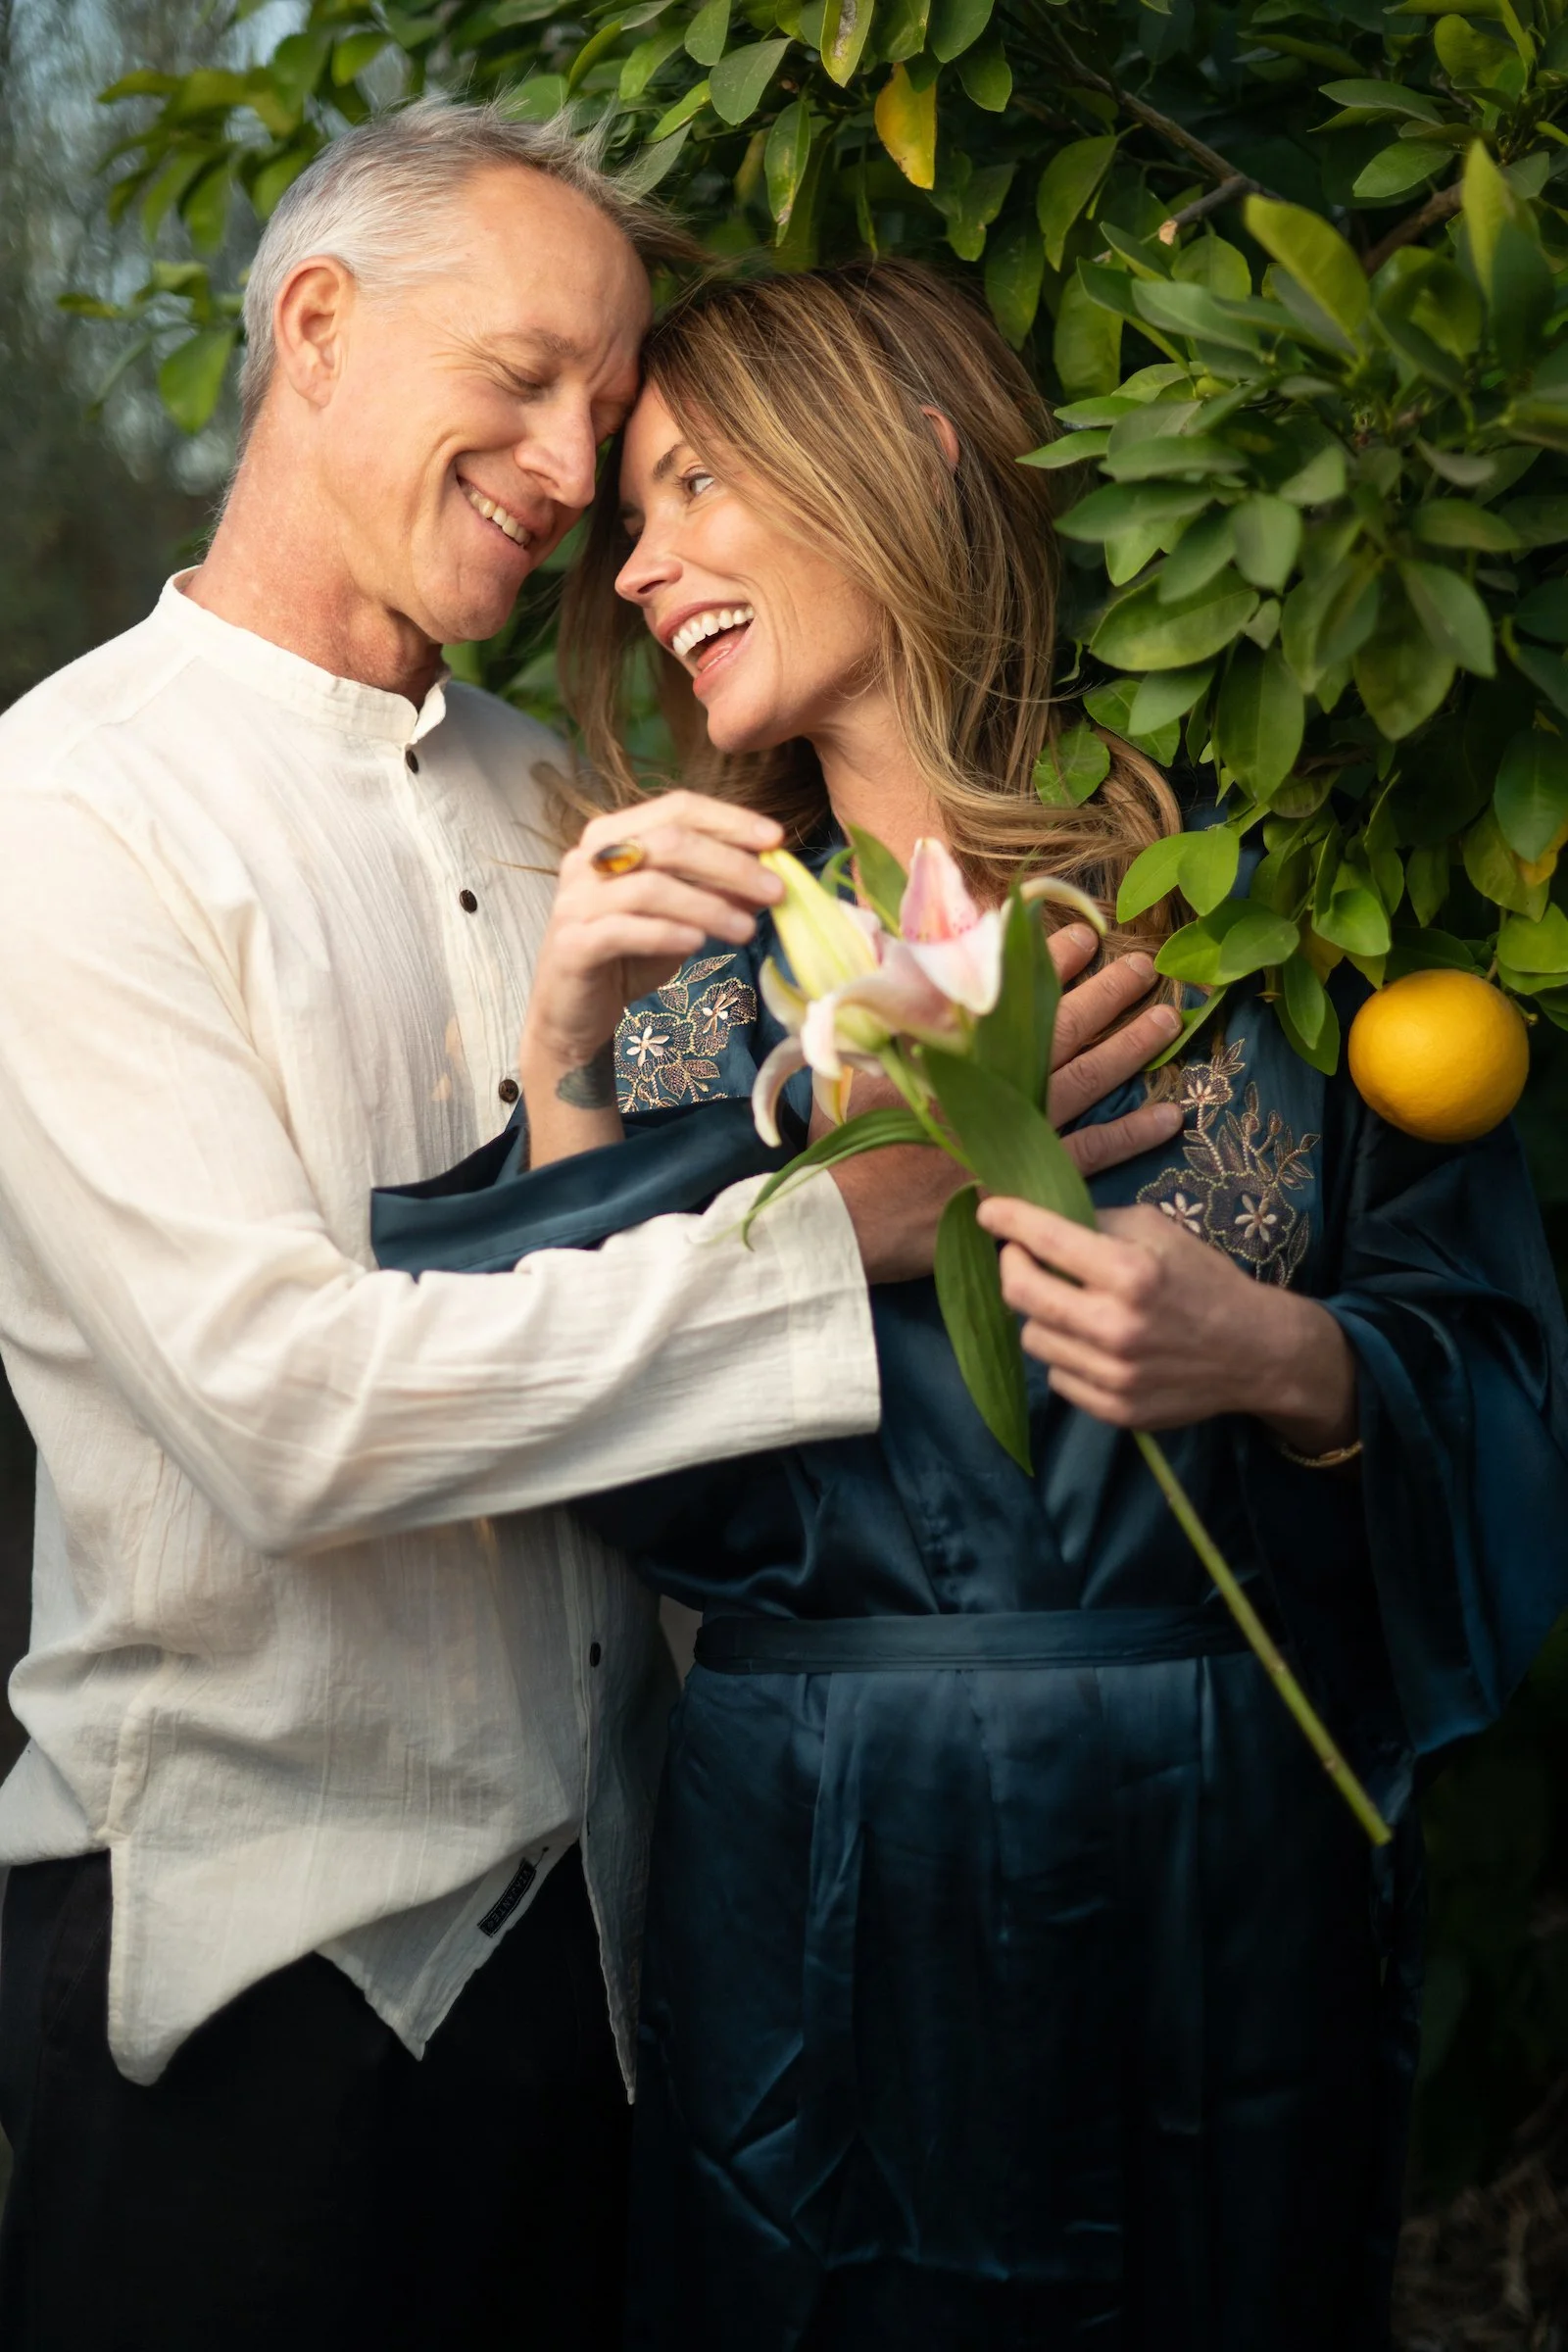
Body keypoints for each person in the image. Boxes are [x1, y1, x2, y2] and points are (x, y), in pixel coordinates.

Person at [0, 108, 1176, 2352]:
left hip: (631, 1962)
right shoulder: (69, 811)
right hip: (263, 1981)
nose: (567, 466)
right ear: (317, 328)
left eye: (612, 423)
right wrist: (850, 1249)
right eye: (526, 378)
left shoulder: (576, 802)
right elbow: (287, 1420)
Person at [374, 259, 1568, 2350]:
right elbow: (541, 1425)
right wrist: (563, 1064)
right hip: (812, 1853)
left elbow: (1492, 1370)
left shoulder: (1274, 909)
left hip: (1225, 1840)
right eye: (629, 520)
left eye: (689, 484)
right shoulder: (683, 999)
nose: (639, 563)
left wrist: (1280, 1360)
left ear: (907, 454)